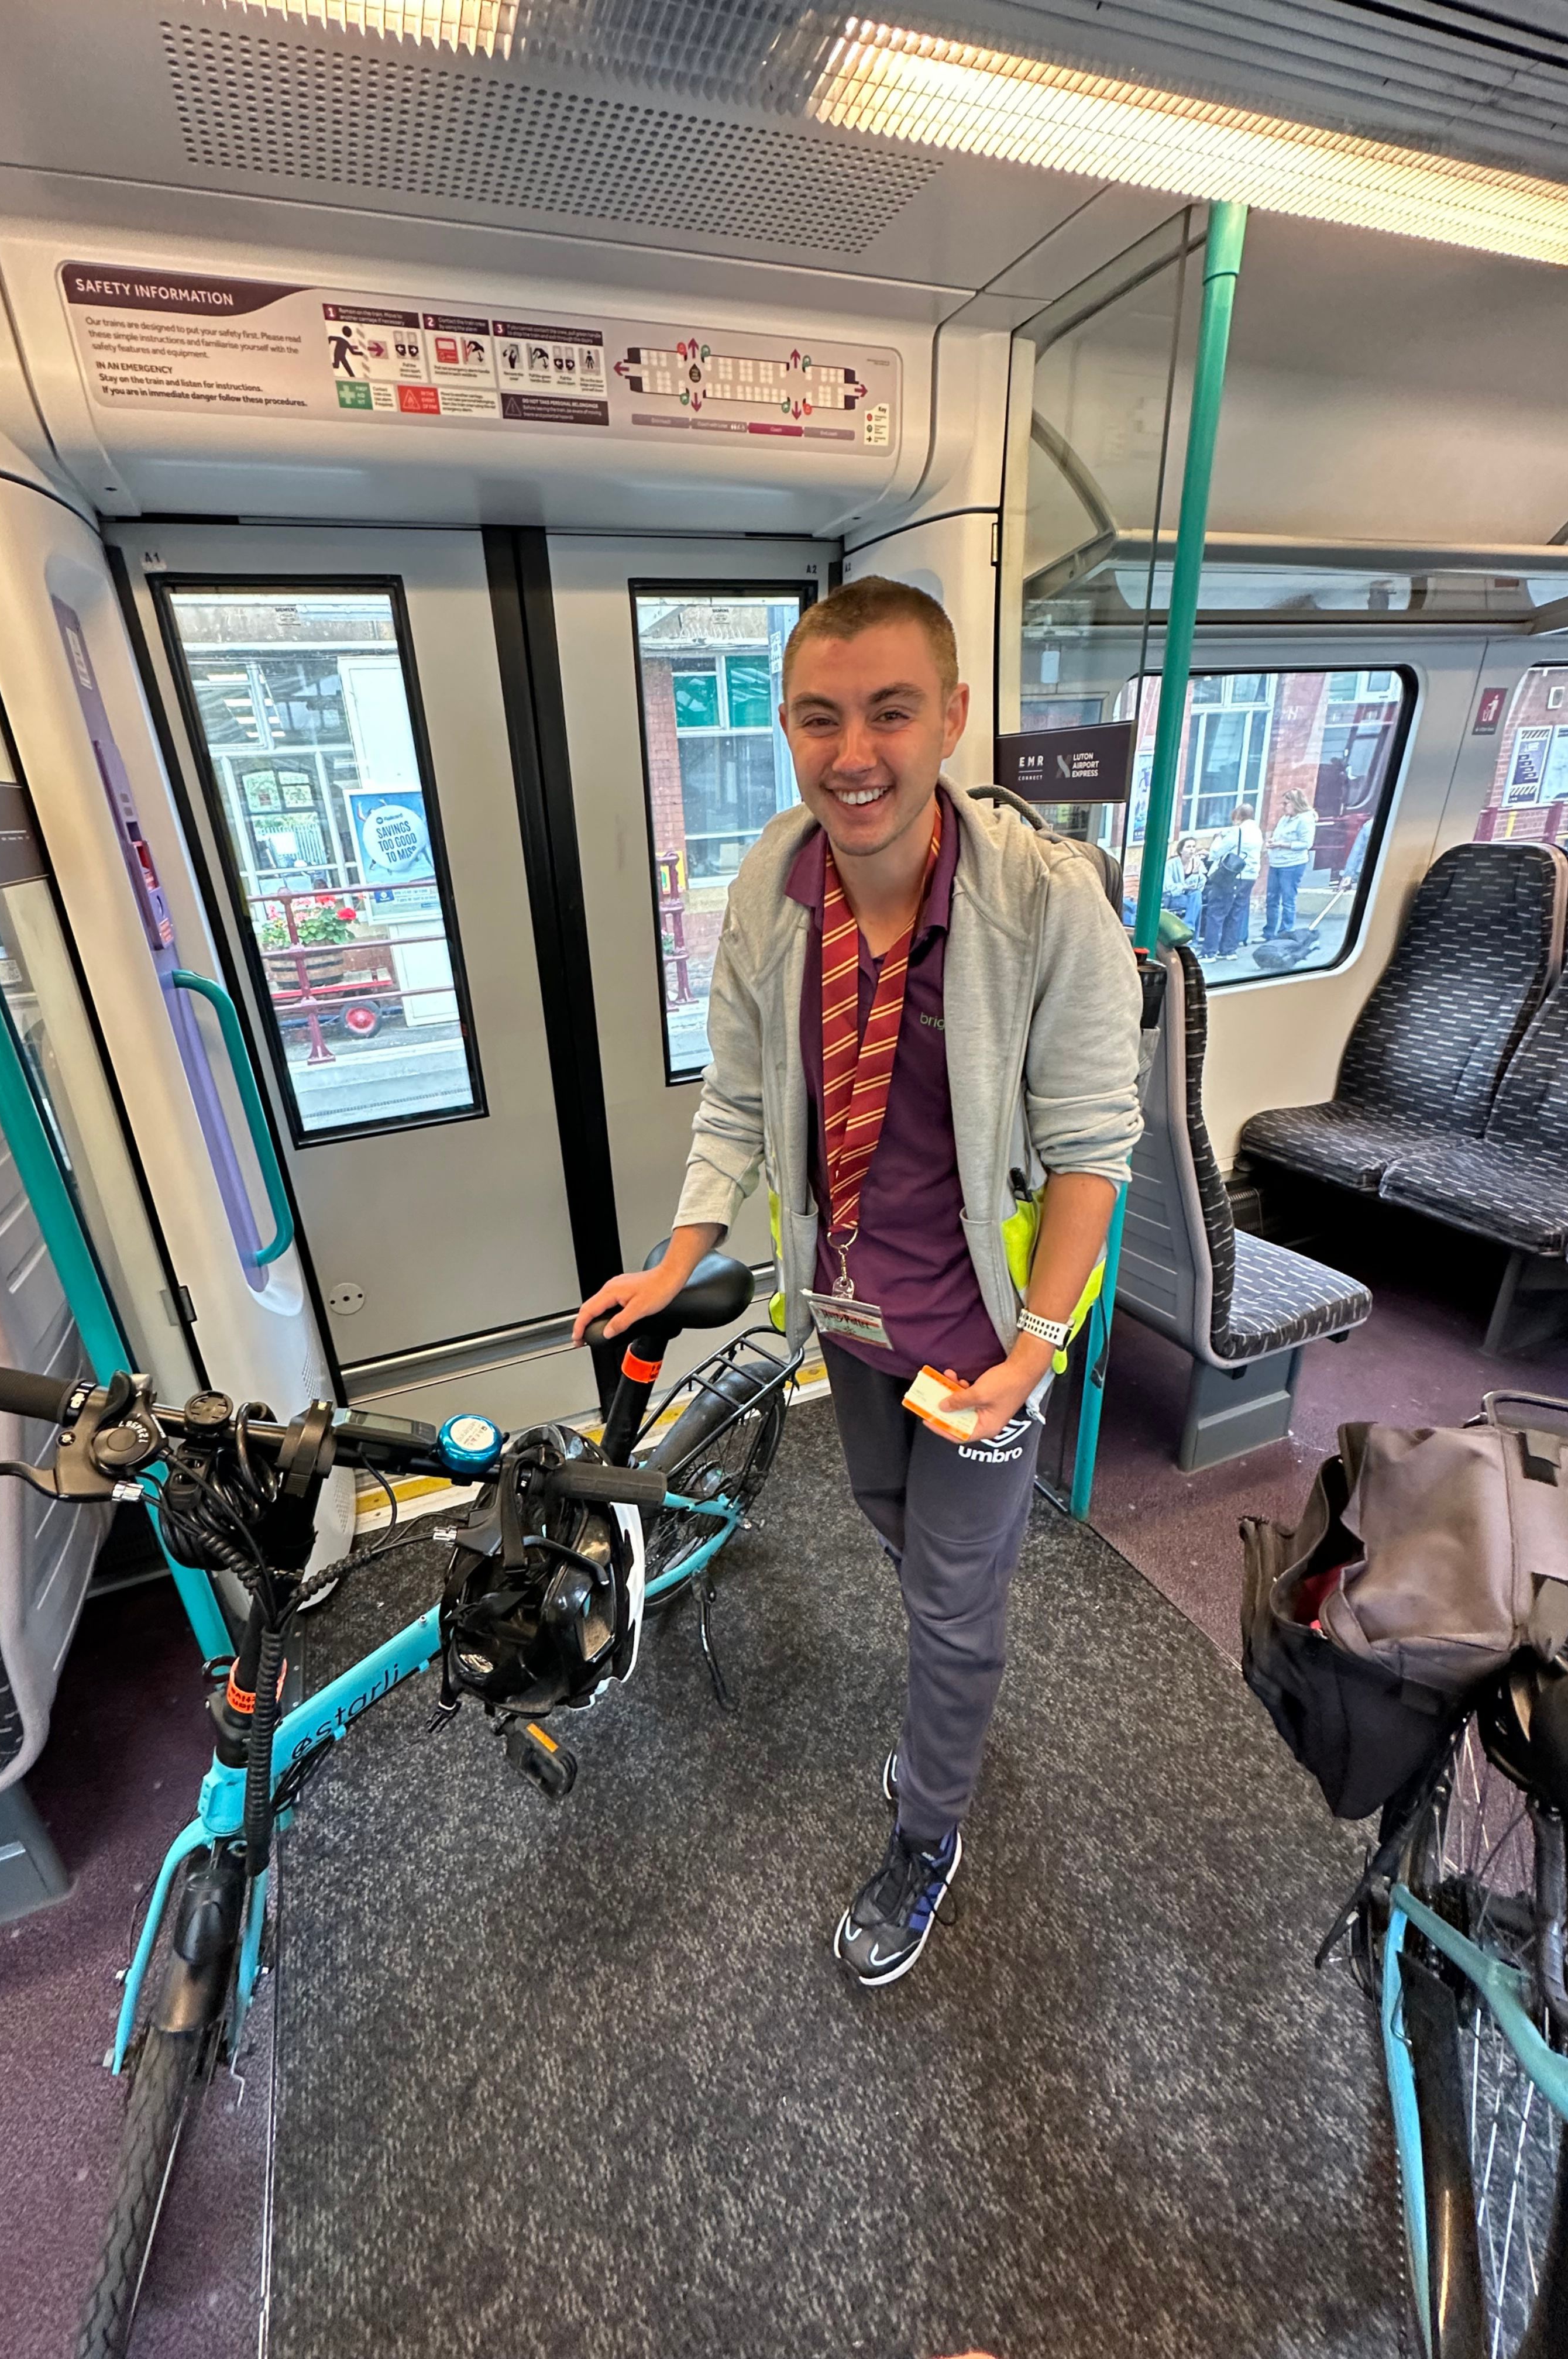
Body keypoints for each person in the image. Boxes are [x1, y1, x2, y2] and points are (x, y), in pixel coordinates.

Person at [573, 577, 1141, 1988]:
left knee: (951, 1605)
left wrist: (1039, 1352)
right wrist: (678, 1263)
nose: (856, 752)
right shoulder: (776, 886)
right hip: (852, 1314)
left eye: (892, 711)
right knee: (895, 1530)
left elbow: (1089, 1155)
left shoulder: (1046, 904)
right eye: (820, 718)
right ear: (786, 727)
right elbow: (734, 1102)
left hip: (983, 1338)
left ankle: (927, 1828)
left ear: (950, 716)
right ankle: (957, 1672)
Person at [1198, 800, 1262, 960]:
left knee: (1216, 913)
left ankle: (1209, 953)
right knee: (1236, 913)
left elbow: (1216, 852)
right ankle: (1228, 950)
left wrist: (1219, 837)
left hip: (1231, 877)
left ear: (1239, 817)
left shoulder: (1236, 831)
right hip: (1250, 876)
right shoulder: (1258, 831)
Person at [1263, 788, 1316, 938]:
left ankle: (1285, 933)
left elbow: (1306, 844)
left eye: (1286, 803)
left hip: (1293, 865)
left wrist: (1282, 844)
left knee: (1288, 899)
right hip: (1276, 863)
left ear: (1295, 803)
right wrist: (1273, 841)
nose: (1283, 806)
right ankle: (1269, 932)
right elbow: (1278, 835)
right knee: (1272, 898)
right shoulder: (1285, 818)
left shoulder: (1305, 819)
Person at [1163, 833, 1205, 939]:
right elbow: (1168, 887)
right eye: (1188, 847)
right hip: (1173, 897)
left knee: (1197, 896)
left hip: (1190, 897)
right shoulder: (1171, 864)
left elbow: (1200, 885)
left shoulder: (1198, 863)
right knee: (1196, 905)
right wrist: (1184, 887)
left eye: (1193, 847)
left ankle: (1189, 927)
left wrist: (1195, 874)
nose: (1192, 850)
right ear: (1181, 850)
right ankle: (1191, 934)